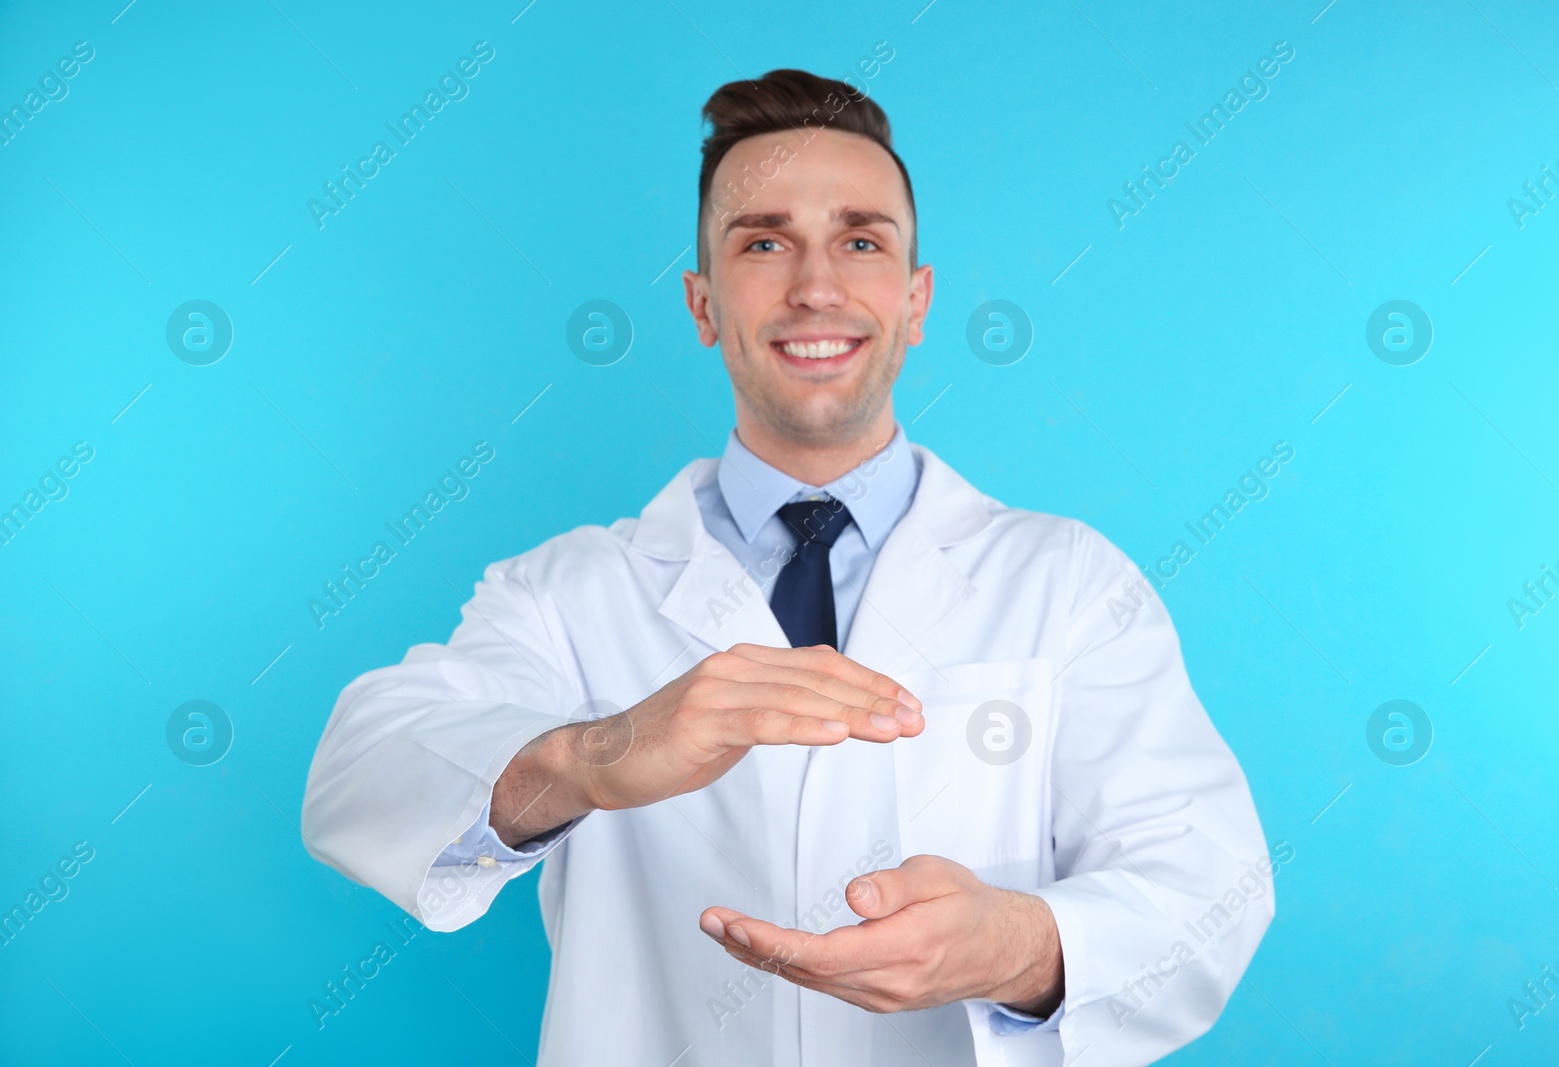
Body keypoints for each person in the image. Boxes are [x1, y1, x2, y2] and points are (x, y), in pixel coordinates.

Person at [302, 68, 1274, 1067]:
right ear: (701, 303)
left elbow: (1208, 882)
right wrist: (593, 752)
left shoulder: (1066, 582)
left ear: (915, 297)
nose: (816, 284)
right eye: (763, 241)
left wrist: (1015, 943)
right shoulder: (568, 591)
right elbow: (359, 774)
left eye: (861, 240)